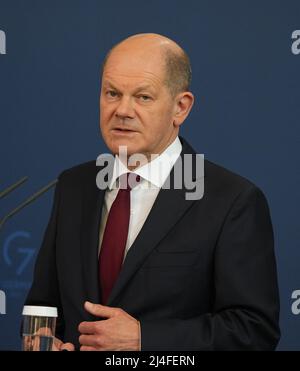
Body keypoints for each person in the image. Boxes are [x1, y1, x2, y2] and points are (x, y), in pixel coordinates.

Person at [25, 33, 280, 351]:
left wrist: (146, 340)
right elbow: (44, 307)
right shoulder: (74, 186)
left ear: (181, 107)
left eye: (143, 97)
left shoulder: (232, 200)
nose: (122, 110)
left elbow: (253, 332)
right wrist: (45, 342)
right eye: (112, 93)